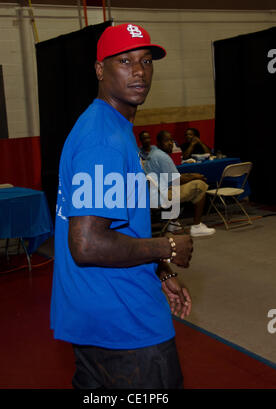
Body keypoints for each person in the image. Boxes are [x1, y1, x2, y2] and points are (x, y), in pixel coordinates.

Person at [50, 23, 193, 389]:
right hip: (125, 320)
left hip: (97, 312)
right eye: (125, 61)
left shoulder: (106, 127)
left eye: (146, 61)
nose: (140, 71)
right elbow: (87, 245)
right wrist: (168, 246)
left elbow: (116, 228)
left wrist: (159, 269)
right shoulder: (105, 139)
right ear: (100, 70)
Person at [144, 130, 216, 237]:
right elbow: (177, 180)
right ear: (159, 143)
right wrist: (195, 176)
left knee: (180, 185)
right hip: (161, 197)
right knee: (199, 185)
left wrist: (191, 176)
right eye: (166, 141)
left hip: (152, 195)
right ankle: (197, 226)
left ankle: (172, 223)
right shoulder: (162, 156)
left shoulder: (153, 153)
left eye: (171, 140)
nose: (170, 143)